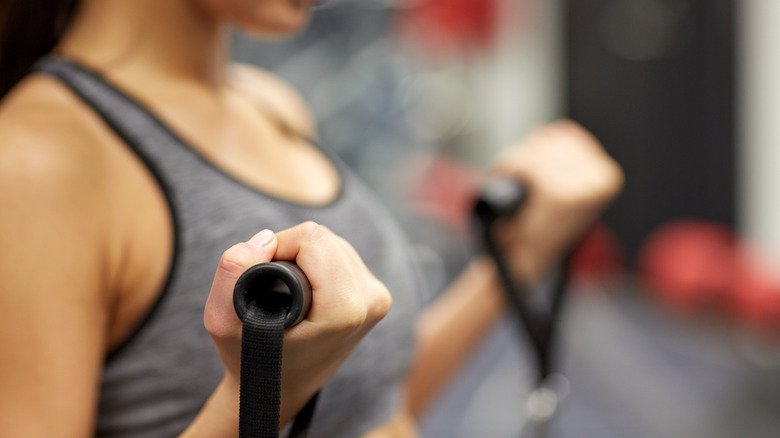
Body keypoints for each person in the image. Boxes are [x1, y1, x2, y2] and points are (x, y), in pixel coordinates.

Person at [0, 0, 624, 437]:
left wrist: (518, 258)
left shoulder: (271, 105)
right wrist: (256, 398)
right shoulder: (37, 160)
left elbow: (369, 405)